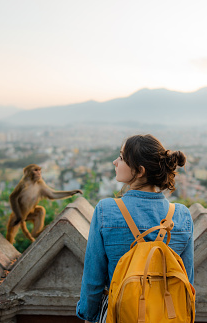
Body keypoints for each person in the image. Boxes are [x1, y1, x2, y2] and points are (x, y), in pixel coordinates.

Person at [76, 134, 194, 323]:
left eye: (122, 157)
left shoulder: (106, 210)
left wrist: (89, 315)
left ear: (139, 171)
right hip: (166, 315)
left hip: (120, 313)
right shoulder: (181, 215)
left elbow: (93, 279)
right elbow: (186, 279)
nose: (115, 162)